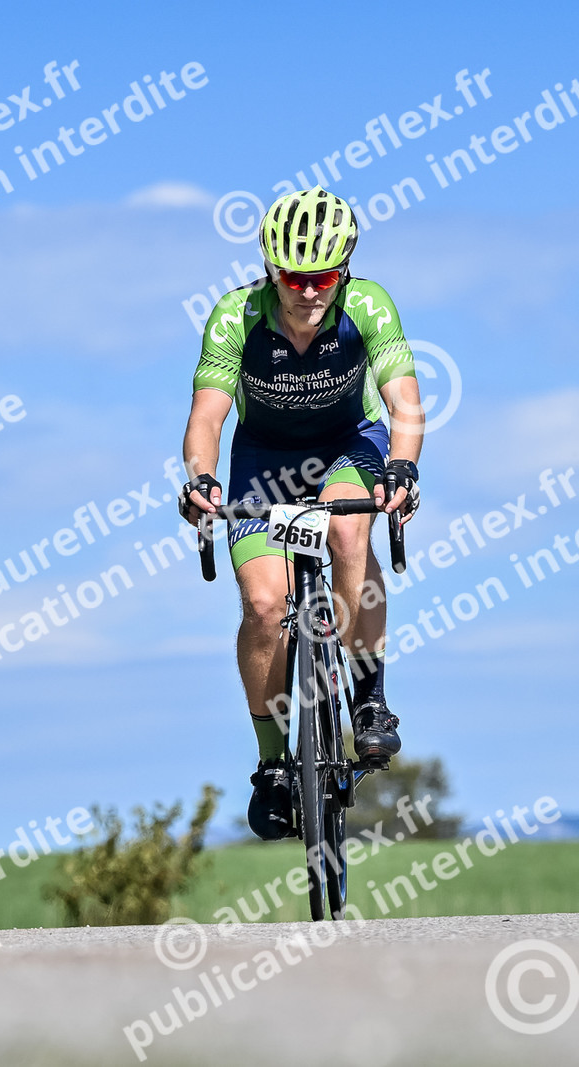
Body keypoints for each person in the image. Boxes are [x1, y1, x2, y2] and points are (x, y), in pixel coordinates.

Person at [177, 186, 424, 840]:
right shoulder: (236, 317)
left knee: (346, 528)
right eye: (294, 278)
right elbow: (206, 417)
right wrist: (201, 479)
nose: (310, 292)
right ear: (270, 270)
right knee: (264, 606)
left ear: (343, 271)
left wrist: (403, 466)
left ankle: (368, 697)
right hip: (264, 459)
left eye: (323, 278)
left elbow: (404, 402)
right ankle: (271, 764)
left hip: (349, 445)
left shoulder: (368, 305)